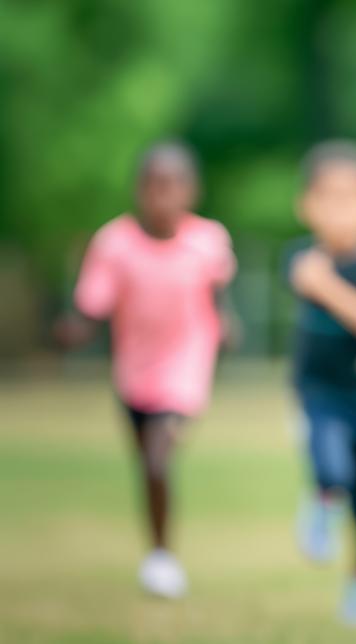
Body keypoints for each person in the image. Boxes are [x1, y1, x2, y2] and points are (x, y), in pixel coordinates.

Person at [57, 141, 237, 599]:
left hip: (186, 364)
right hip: (134, 372)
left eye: (174, 186)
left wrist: (229, 325)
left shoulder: (208, 240)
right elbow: (94, 307)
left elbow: (218, 299)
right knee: (149, 467)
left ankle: (162, 559)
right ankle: (158, 551)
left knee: (157, 457)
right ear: (139, 191)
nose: (164, 197)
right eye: (154, 187)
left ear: (191, 191)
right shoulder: (114, 243)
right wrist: (72, 331)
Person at [286, 140, 356, 625]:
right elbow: (303, 278)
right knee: (329, 462)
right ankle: (321, 499)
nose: (340, 210)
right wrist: (314, 280)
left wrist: (325, 287)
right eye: (327, 197)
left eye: (352, 197)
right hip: (316, 390)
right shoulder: (298, 258)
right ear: (306, 205)